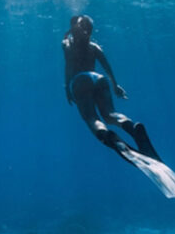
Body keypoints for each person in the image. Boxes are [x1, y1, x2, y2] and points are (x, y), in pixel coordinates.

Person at [63, 14, 160, 162]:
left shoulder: (67, 44)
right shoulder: (94, 47)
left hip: (80, 80)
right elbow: (106, 66)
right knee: (110, 114)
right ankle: (132, 127)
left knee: (91, 118)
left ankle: (110, 138)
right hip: (99, 79)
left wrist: (67, 89)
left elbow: (68, 67)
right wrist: (115, 85)